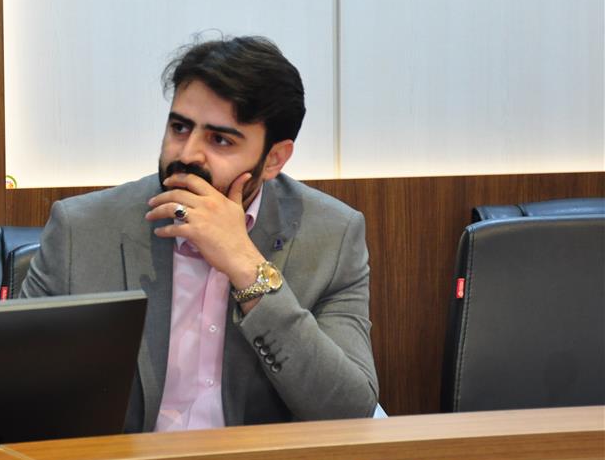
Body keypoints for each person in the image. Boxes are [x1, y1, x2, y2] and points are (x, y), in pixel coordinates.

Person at [20, 36, 378, 433]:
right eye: (179, 127)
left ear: (274, 159)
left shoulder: (331, 237)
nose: (187, 153)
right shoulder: (82, 230)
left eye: (220, 139)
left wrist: (248, 268)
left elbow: (349, 411)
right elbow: (13, 395)